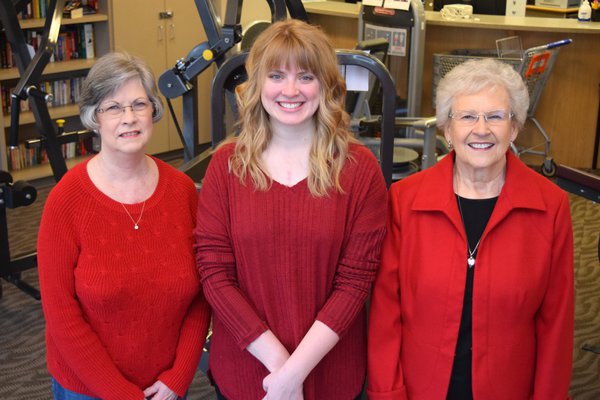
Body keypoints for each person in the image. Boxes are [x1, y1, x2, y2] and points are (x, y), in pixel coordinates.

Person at [194, 19, 387, 400]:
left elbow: (354, 284)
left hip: (331, 376)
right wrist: (280, 372)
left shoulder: (360, 170)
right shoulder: (227, 166)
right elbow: (214, 275)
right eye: (277, 75)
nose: (291, 90)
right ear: (256, 86)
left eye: (306, 77)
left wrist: (291, 375)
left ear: (326, 86)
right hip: (246, 373)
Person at [368, 58, 574, 399]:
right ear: (448, 130)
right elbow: (385, 314)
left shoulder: (550, 206)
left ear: (515, 128)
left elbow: (556, 324)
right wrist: (388, 393)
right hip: (419, 389)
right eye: (466, 117)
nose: (481, 129)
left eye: (495, 116)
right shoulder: (405, 200)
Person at [37, 52, 211, 400]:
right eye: (113, 107)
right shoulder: (65, 201)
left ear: (153, 111)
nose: (129, 118)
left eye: (139, 104)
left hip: (165, 387)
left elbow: (202, 294)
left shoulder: (182, 193)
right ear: (93, 118)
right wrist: (120, 394)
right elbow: (61, 316)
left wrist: (180, 375)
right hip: (87, 389)